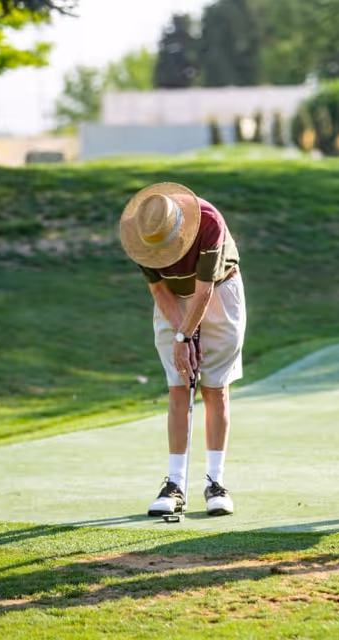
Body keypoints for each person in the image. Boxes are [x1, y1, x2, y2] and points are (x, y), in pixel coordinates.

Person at [119, 182, 246, 517]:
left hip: (220, 292)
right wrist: (181, 336)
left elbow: (204, 292)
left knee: (214, 388)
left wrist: (187, 338)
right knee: (178, 386)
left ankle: (214, 483)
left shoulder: (208, 223)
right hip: (173, 300)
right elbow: (159, 290)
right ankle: (174, 485)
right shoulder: (141, 230)